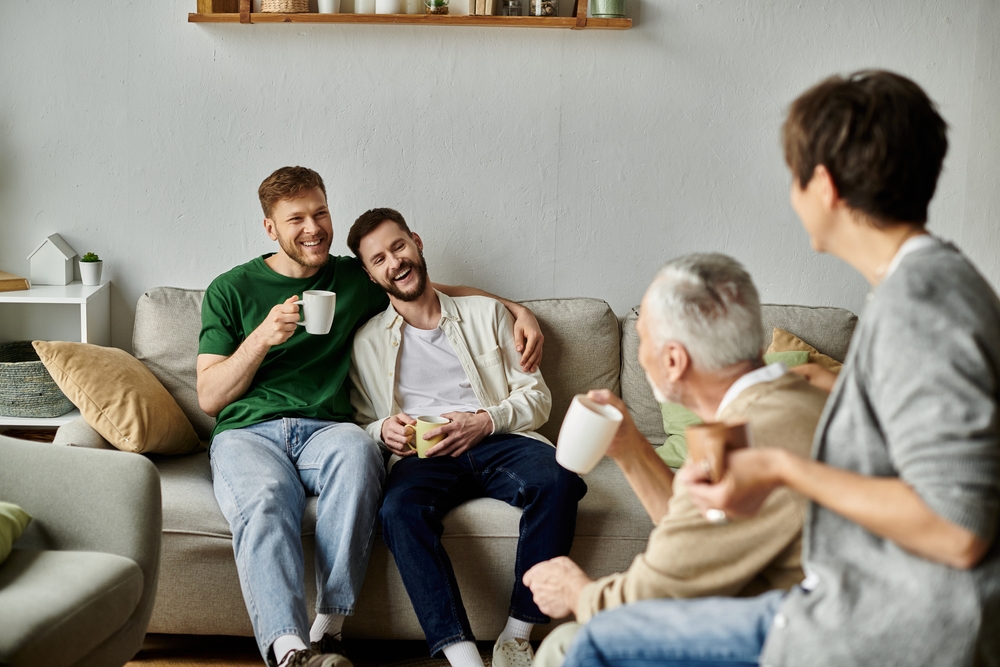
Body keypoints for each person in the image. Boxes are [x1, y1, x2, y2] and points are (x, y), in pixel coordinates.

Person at [560, 71, 1000, 667]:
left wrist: (778, 467)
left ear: (825, 184)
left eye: (794, 178)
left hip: (891, 626)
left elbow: (957, 528)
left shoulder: (918, 305)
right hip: (874, 605)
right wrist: (847, 389)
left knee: (594, 642)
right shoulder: (938, 287)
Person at [197, 168, 545, 667]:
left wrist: (516, 310)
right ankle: (291, 652)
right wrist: (261, 338)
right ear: (270, 228)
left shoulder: (352, 276)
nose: (313, 228)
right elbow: (209, 396)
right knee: (267, 498)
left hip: (327, 431)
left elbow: (427, 288)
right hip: (249, 433)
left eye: (320, 212)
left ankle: (329, 629)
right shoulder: (230, 289)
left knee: (360, 451)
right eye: (295, 219)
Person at [522, 253, 830, 667]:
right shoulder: (791, 399)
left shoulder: (740, 443)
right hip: (800, 615)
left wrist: (577, 592)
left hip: (800, 641)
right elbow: (696, 536)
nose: (640, 356)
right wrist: (630, 448)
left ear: (673, 360)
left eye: (644, 341)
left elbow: (655, 597)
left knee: (568, 643)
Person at [346, 208, 588, 667]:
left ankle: (517, 635)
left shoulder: (486, 313)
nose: (394, 262)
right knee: (398, 512)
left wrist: (484, 421)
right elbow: (361, 421)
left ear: (416, 242)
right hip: (425, 454)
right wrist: (383, 430)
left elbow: (537, 398)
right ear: (370, 274)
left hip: (498, 438)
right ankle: (462, 656)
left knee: (561, 480)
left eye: (398, 246)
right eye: (378, 259)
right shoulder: (367, 341)